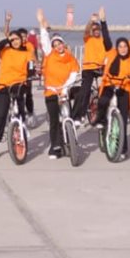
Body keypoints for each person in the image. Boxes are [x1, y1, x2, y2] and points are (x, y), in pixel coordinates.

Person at [0, 13, 36, 158]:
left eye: (17, 39)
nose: (15, 42)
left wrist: (30, 75)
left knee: (20, 104)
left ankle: (22, 124)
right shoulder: (5, 50)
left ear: (22, 40)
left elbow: (31, 67)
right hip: (3, 85)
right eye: (12, 40)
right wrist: (7, 40)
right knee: (0, 116)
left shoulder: (27, 53)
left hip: (19, 84)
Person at [37, 9, 80, 159]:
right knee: (54, 120)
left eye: (59, 43)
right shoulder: (50, 55)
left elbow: (74, 73)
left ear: (63, 44)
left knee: (81, 95)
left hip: (65, 90)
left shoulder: (70, 57)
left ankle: (75, 123)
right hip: (51, 91)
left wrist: (66, 87)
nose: (58, 46)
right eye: (55, 44)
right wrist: (42, 23)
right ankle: (55, 147)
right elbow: (44, 40)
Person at [76, 8, 112, 123]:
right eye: (94, 29)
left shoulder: (103, 40)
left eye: (98, 29)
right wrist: (91, 21)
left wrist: (103, 20)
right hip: (88, 68)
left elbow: (109, 46)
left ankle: (107, 111)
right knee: (85, 91)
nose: (96, 31)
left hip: (101, 68)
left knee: (108, 88)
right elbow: (87, 30)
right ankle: (81, 114)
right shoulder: (88, 38)